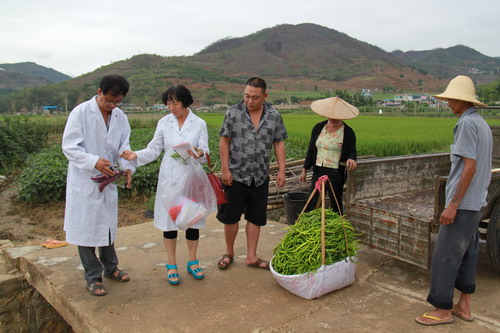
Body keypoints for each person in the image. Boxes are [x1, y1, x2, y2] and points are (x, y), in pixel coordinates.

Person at [415, 75, 492, 326]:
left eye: (450, 99)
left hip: (464, 204)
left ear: (462, 100)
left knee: (445, 255)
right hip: (477, 202)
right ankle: (464, 306)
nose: (447, 103)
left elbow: (469, 168)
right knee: (468, 252)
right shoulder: (482, 124)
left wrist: (452, 204)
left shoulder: (466, 125)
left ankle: (442, 308)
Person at [121, 84, 209, 286]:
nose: (171, 107)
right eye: (168, 103)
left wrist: (199, 152)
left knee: (191, 220)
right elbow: (154, 149)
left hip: (191, 178)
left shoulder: (199, 123)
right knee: (170, 222)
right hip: (169, 177)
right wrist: (136, 155)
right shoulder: (163, 123)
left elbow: (205, 152)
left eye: (175, 103)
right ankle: (171, 264)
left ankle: (193, 261)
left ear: (185, 102)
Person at [62, 74, 135, 296]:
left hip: (108, 181)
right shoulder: (81, 113)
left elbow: (124, 146)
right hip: (85, 181)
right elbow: (70, 147)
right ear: (99, 92)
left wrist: (127, 167)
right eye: (109, 101)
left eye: (117, 102)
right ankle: (93, 277)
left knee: (107, 226)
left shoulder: (120, 117)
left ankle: (111, 267)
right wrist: (94, 161)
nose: (112, 106)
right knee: (85, 229)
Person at [217, 77, 288, 270]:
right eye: (247, 96)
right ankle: (229, 252)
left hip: (260, 176)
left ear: (265, 95)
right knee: (230, 217)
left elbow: (279, 142)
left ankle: (251, 256)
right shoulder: (233, 113)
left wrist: (281, 170)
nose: (250, 101)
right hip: (235, 176)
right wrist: (225, 169)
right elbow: (224, 141)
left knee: (255, 217)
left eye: (255, 97)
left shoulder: (274, 115)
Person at [299, 97, 358, 213]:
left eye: (337, 116)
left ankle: (336, 226)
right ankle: (312, 225)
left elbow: (352, 150)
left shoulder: (348, 132)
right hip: (318, 169)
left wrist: (351, 159)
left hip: (335, 172)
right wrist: (305, 169)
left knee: (335, 200)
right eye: (332, 115)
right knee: (314, 199)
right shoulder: (318, 128)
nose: (334, 118)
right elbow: (311, 149)